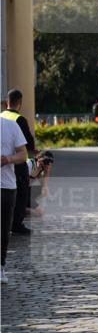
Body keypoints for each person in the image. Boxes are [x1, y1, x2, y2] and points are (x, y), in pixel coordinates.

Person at [1, 89, 35, 235]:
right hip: (15, 163)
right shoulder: (19, 120)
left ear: (6, 102)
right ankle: (16, 224)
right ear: (20, 103)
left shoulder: (2, 116)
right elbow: (28, 143)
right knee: (22, 192)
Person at [1, 113, 28, 283]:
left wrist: (7, 159)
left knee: (3, 230)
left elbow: (23, 154)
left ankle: (0, 266)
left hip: (6, 187)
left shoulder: (11, 126)